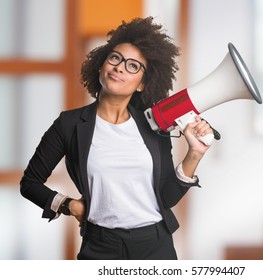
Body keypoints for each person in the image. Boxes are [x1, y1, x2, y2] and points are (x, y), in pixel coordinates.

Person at [20, 16, 214, 260]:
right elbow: (30, 184)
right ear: (102, 65)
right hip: (100, 246)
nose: (120, 67)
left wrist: (194, 154)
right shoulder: (69, 124)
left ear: (142, 83)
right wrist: (69, 205)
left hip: (156, 245)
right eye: (115, 58)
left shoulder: (153, 124)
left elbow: (166, 197)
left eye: (133, 66)